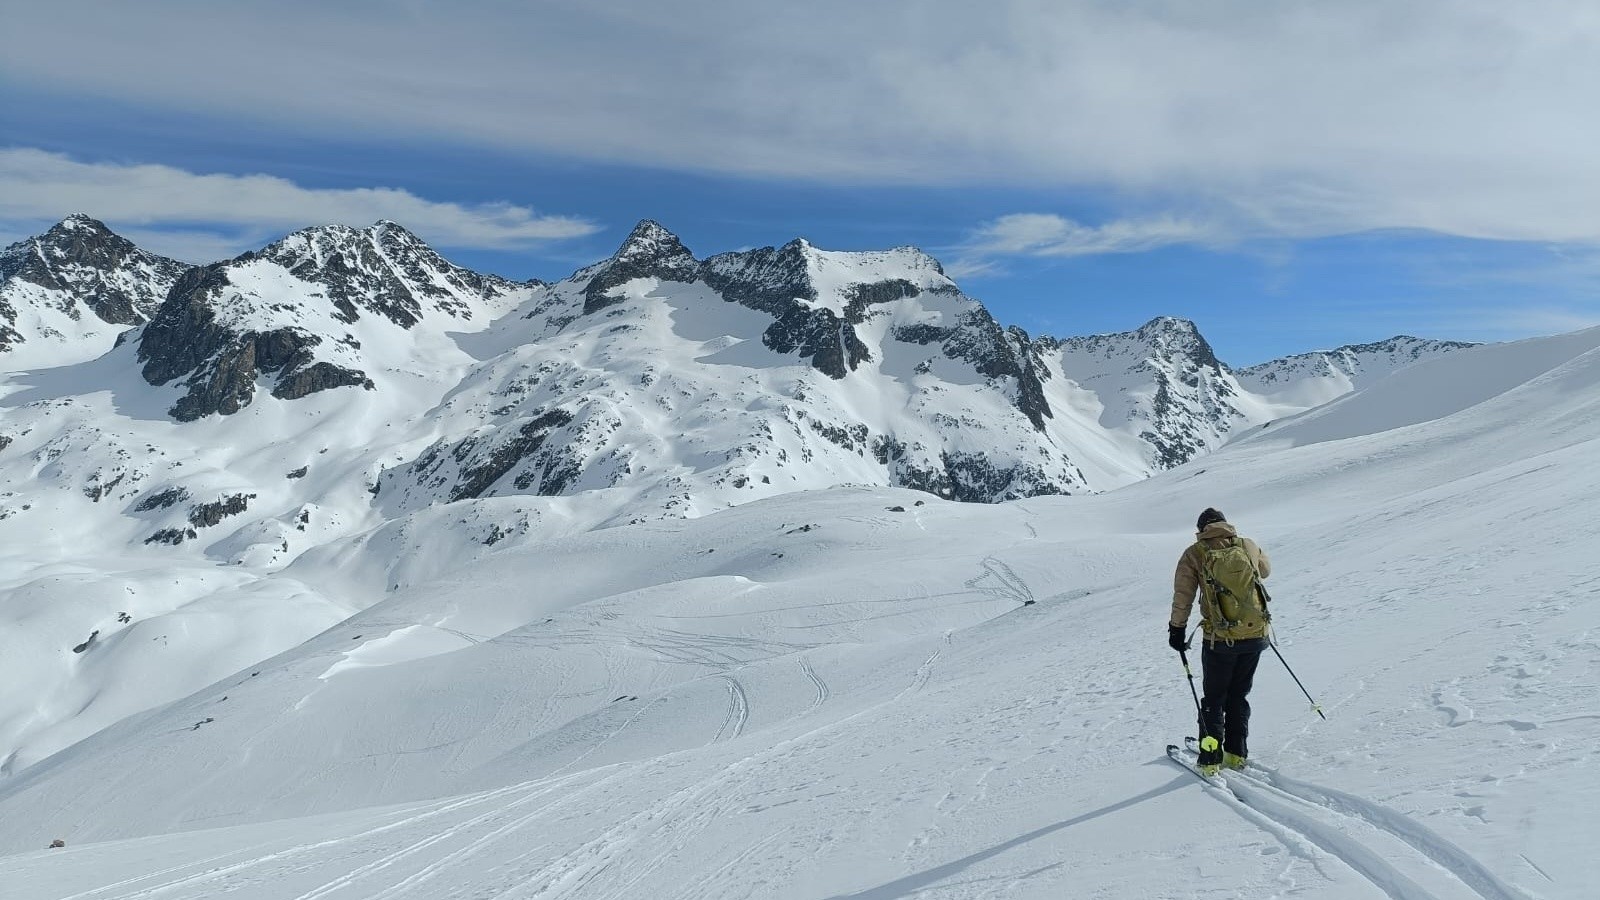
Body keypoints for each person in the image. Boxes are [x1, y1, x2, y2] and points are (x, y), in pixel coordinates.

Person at [1168, 507, 1272, 775]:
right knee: (1238, 695)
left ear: (1202, 529)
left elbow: (1184, 595)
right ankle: (1236, 754)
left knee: (1214, 699)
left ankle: (1211, 759)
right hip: (1255, 635)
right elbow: (1266, 571)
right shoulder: (1246, 544)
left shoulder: (1195, 553)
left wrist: (1176, 630)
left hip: (1219, 639)